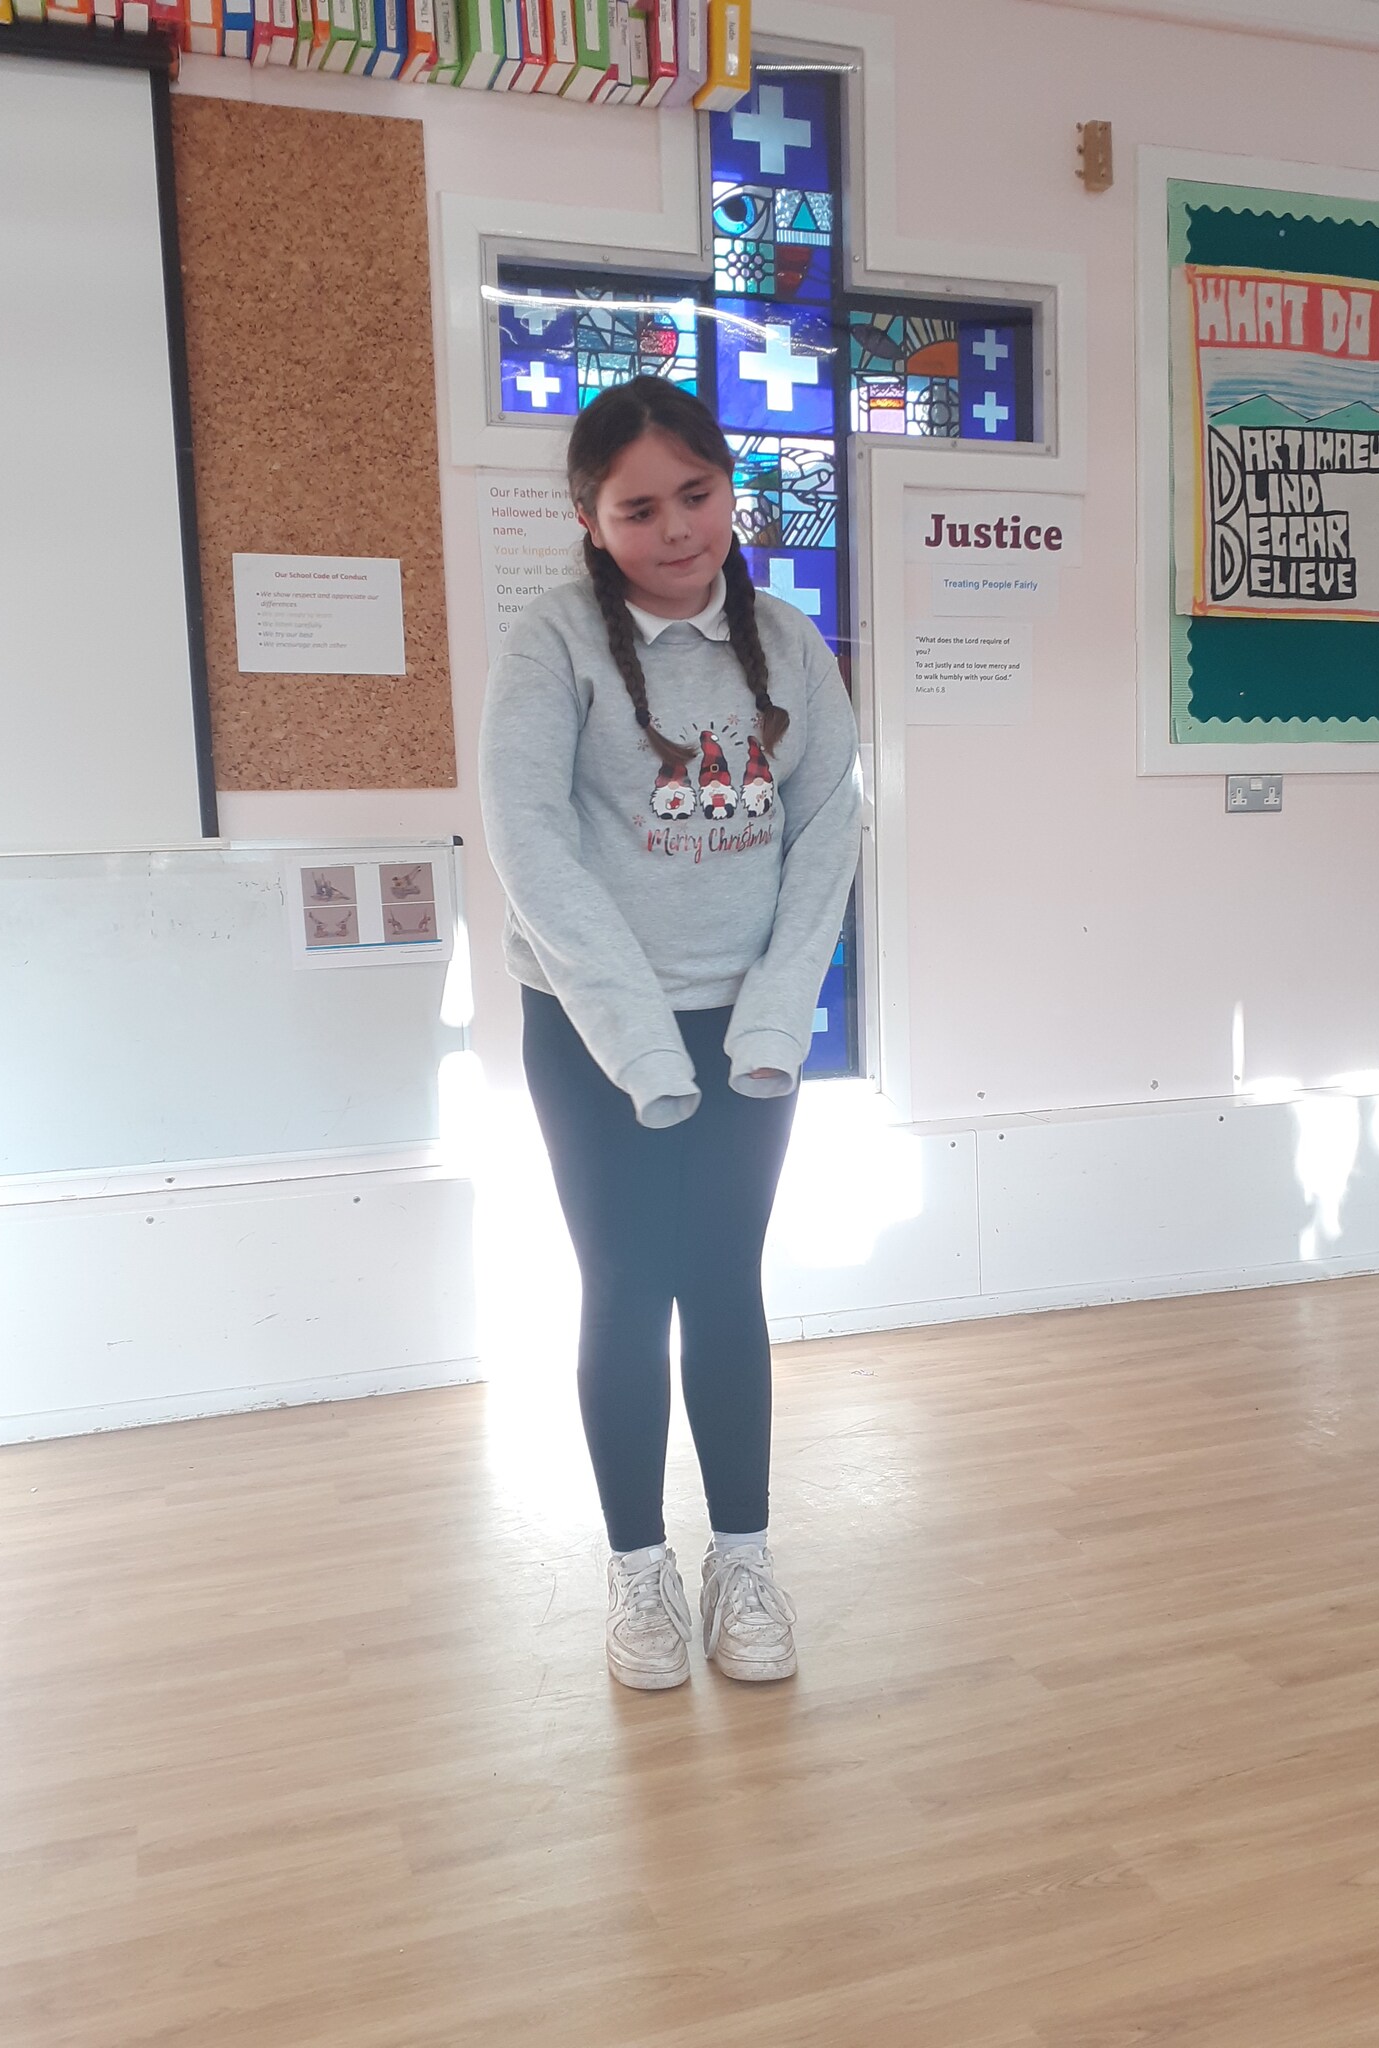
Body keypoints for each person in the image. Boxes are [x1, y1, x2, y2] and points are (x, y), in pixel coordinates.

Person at [479, 376, 861, 1692]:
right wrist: (640, 1042)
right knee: (628, 1289)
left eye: (695, 494)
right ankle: (638, 1568)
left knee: (725, 1284)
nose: (676, 528)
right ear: (590, 520)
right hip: (591, 1031)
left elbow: (828, 832)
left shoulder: (791, 645)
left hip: (744, 1035)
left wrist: (774, 1015)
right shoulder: (553, 644)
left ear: (728, 491)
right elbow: (530, 844)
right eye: (638, 509)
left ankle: (741, 1561)